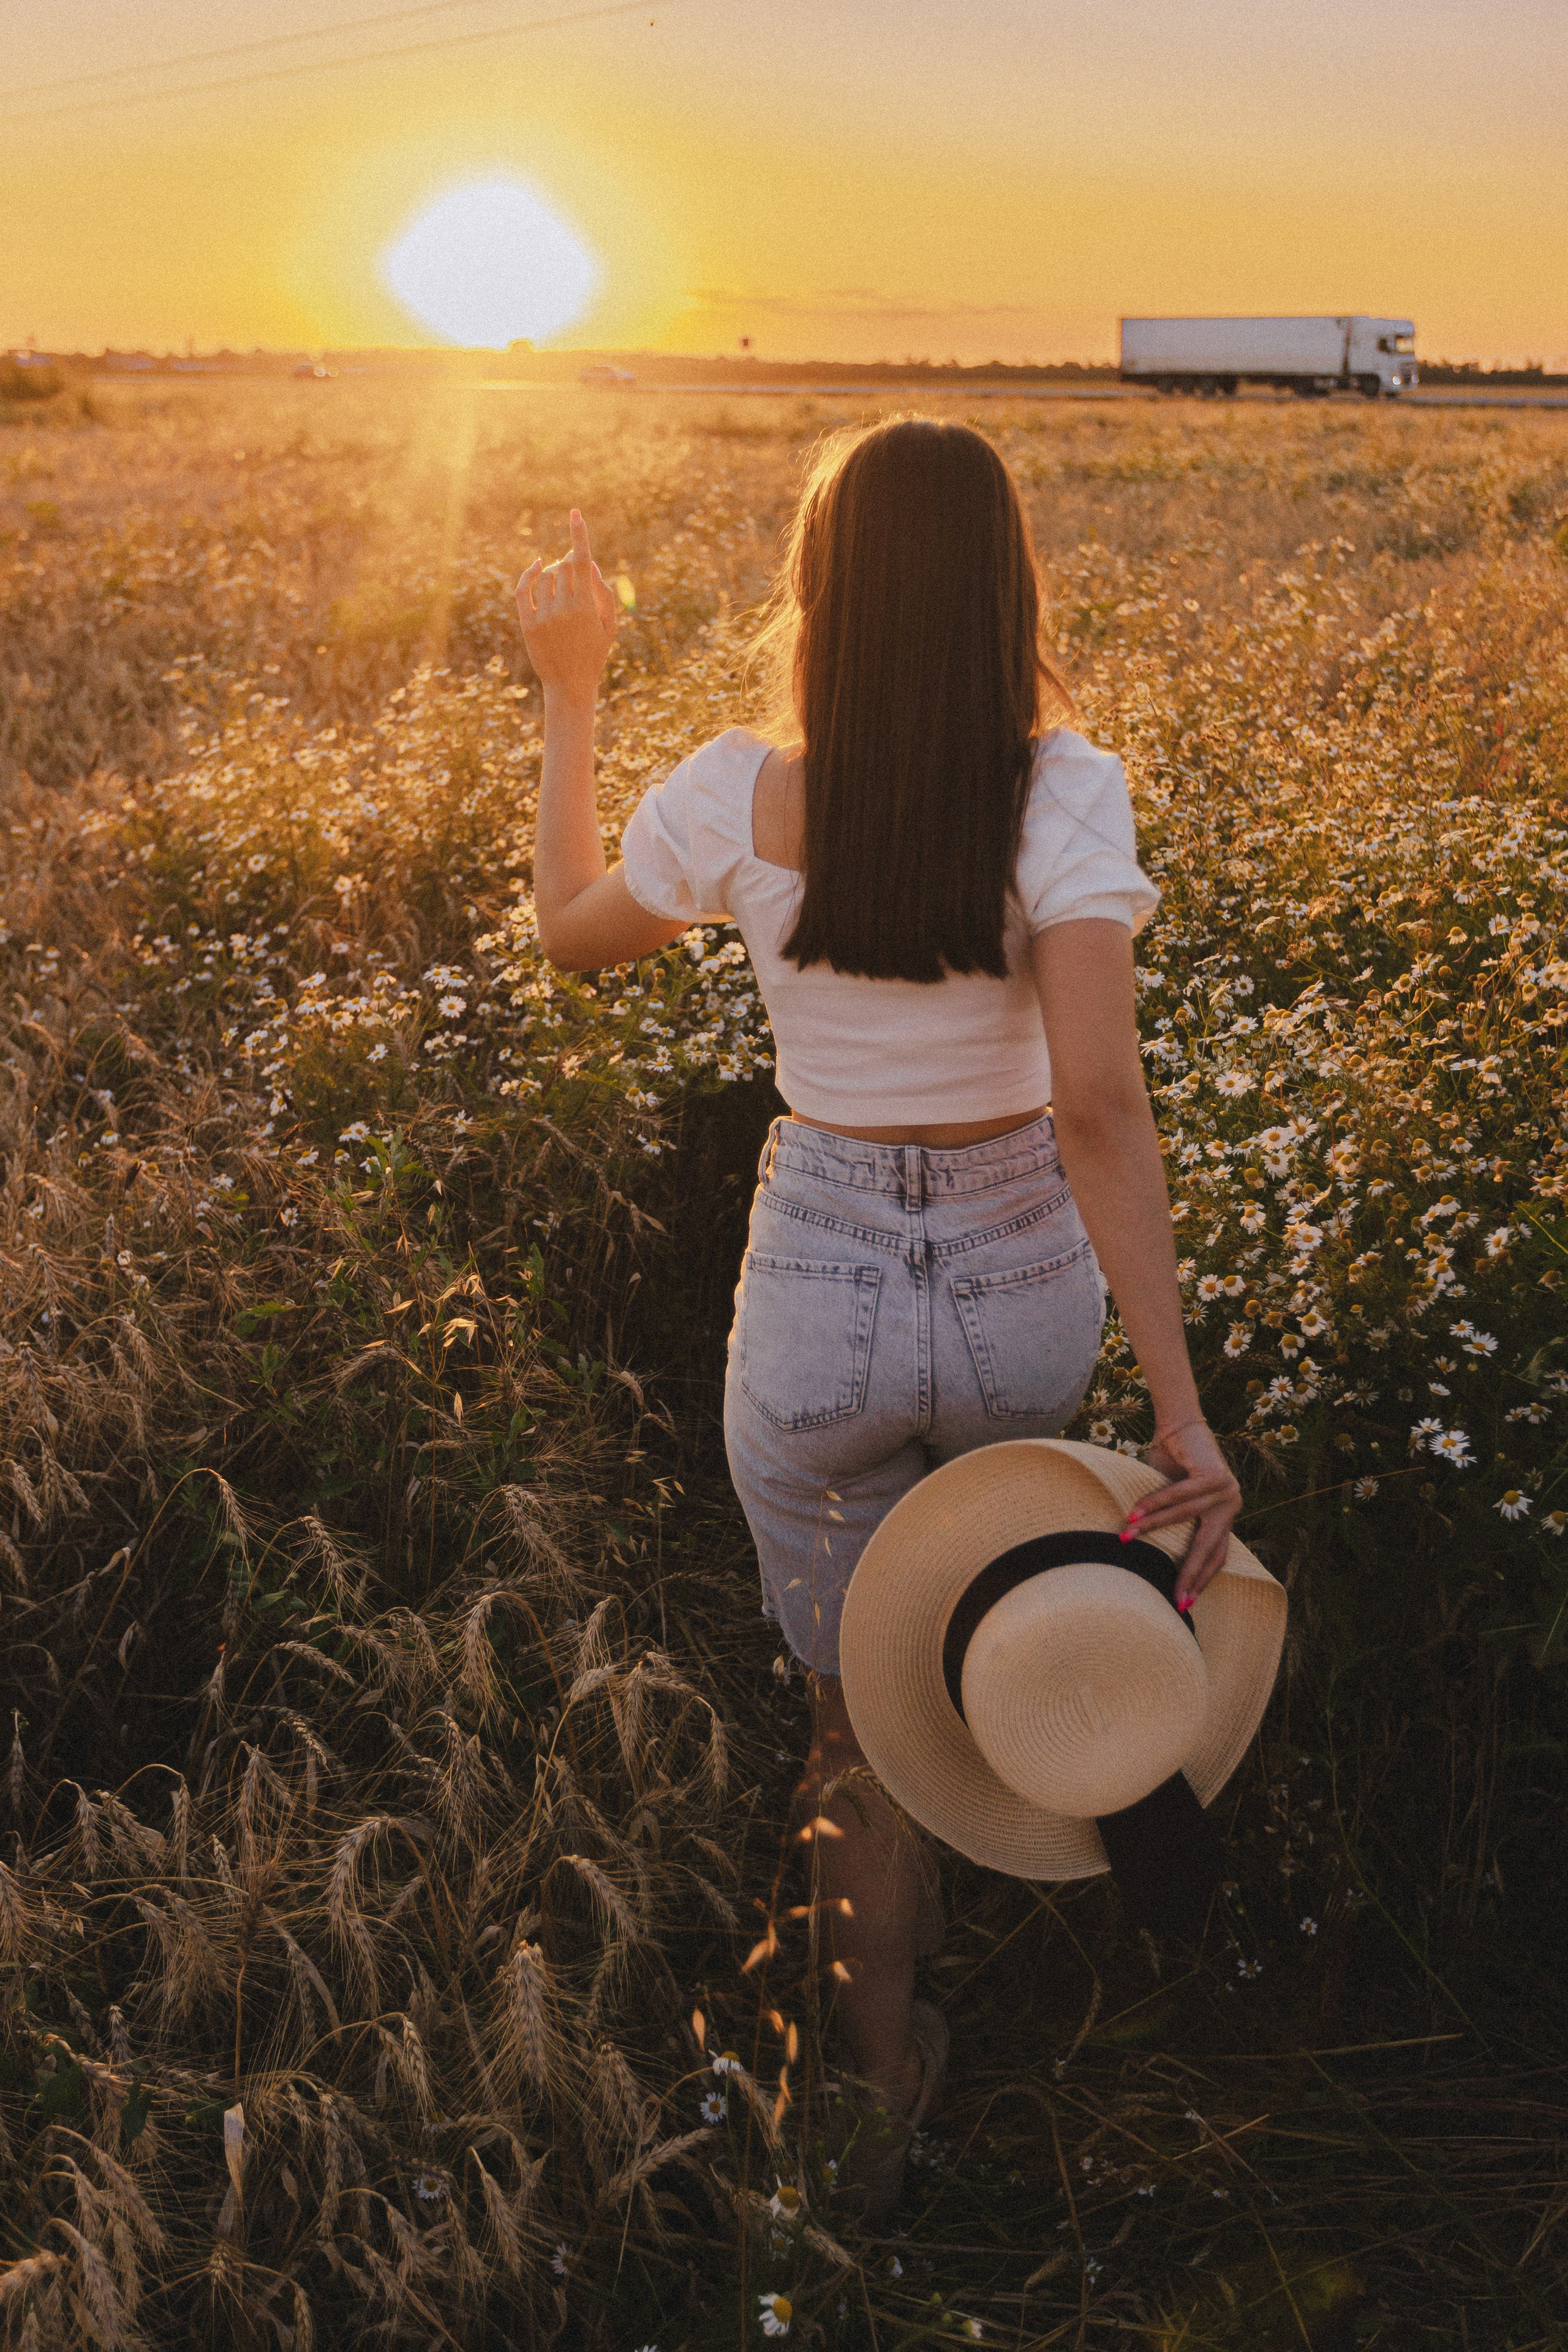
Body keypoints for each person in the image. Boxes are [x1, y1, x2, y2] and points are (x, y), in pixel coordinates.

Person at [516, 418, 1241, 2192]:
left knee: (853, 1717)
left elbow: (568, 933)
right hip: (1016, 1277)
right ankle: (1110, 1920)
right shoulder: (1065, 791)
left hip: (820, 1281)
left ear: (818, 587)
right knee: (1002, 1621)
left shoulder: (730, 792)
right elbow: (1098, 1109)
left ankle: (876, 2081)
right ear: (1007, 586)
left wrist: (570, 692)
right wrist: (1180, 1409)